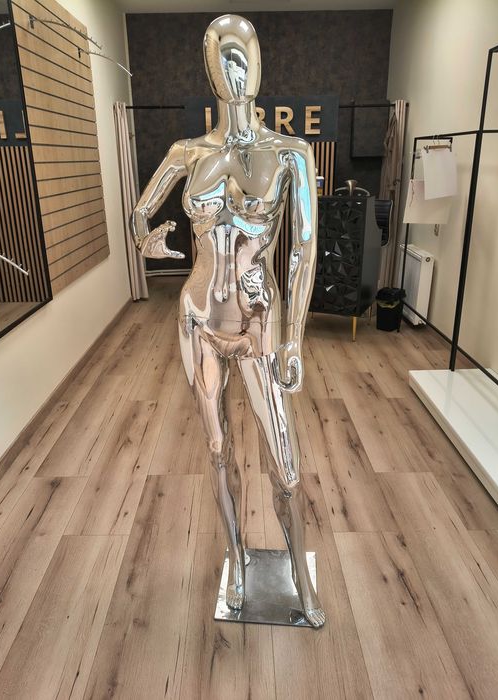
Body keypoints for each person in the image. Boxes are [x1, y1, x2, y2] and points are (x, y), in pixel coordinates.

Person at [131, 14, 325, 628]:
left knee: (282, 458)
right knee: (217, 449)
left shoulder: (290, 154)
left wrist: (294, 339)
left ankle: (299, 576)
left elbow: (304, 250)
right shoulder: (187, 152)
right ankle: (237, 558)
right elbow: (140, 214)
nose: (234, 71)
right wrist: (147, 240)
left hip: (260, 320)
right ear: (208, 71)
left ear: (261, 64)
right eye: (222, 58)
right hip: (197, 317)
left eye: (242, 56)